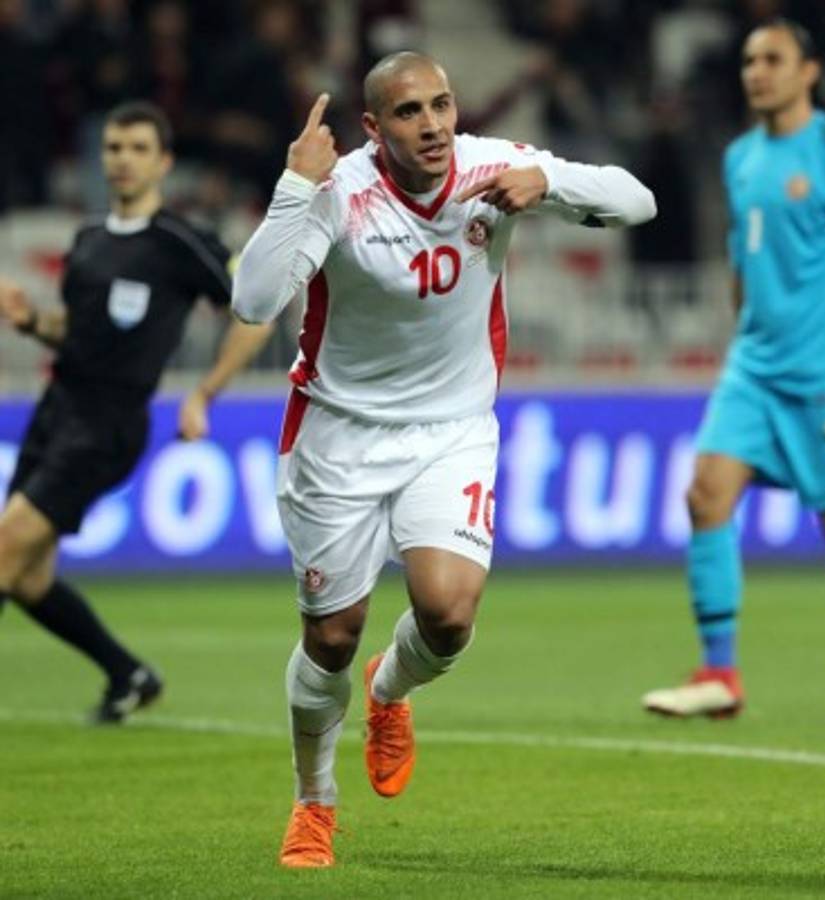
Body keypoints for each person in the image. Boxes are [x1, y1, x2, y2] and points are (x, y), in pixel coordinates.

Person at [231, 51, 655, 869]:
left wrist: (549, 182)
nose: (431, 126)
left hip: (452, 430)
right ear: (373, 127)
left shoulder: (492, 165)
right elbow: (252, 302)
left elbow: (639, 200)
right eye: (408, 112)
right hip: (339, 436)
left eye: (441, 105)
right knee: (331, 637)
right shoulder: (339, 192)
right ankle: (314, 803)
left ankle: (388, 691)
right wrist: (294, 185)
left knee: (449, 615)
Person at [641, 19, 825, 725]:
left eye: (773, 59)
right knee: (705, 496)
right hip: (752, 368)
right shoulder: (740, 157)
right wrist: (744, 331)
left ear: (808, 71)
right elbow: (740, 259)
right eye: (750, 60)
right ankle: (718, 672)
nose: (756, 71)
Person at [0, 101, 273, 723]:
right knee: (25, 577)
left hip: (107, 424)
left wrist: (205, 393)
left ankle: (129, 675)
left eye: (138, 149)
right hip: (56, 411)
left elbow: (257, 315)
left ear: (164, 162)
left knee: (3, 554)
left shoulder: (178, 242)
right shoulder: (88, 240)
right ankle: (128, 674)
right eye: (114, 148)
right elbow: (76, 330)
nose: (123, 160)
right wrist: (33, 321)